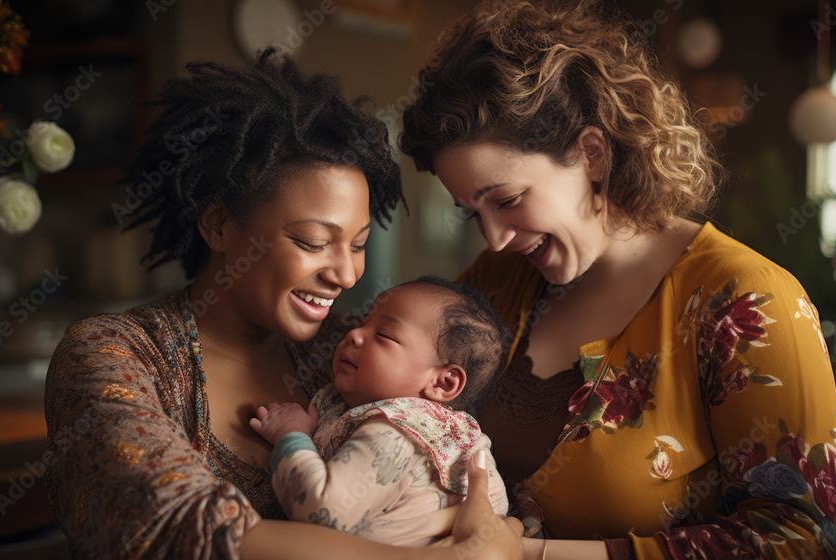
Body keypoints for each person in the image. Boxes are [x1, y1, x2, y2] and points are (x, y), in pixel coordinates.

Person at [400, 1, 836, 559]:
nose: (493, 238)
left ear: (591, 153)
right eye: (474, 213)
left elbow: (812, 543)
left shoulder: (746, 301)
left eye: (509, 200)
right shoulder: (499, 280)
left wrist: (532, 555)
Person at [44, 48, 522, 559]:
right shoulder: (114, 355)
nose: (346, 273)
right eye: (314, 242)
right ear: (220, 224)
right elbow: (178, 528)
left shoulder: (348, 351)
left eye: (358, 244)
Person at [248, 276, 510, 547]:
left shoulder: (398, 433)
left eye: (384, 335)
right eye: (363, 323)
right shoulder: (356, 405)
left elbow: (320, 510)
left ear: (441, 383)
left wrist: (291, 434)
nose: (353, 334)